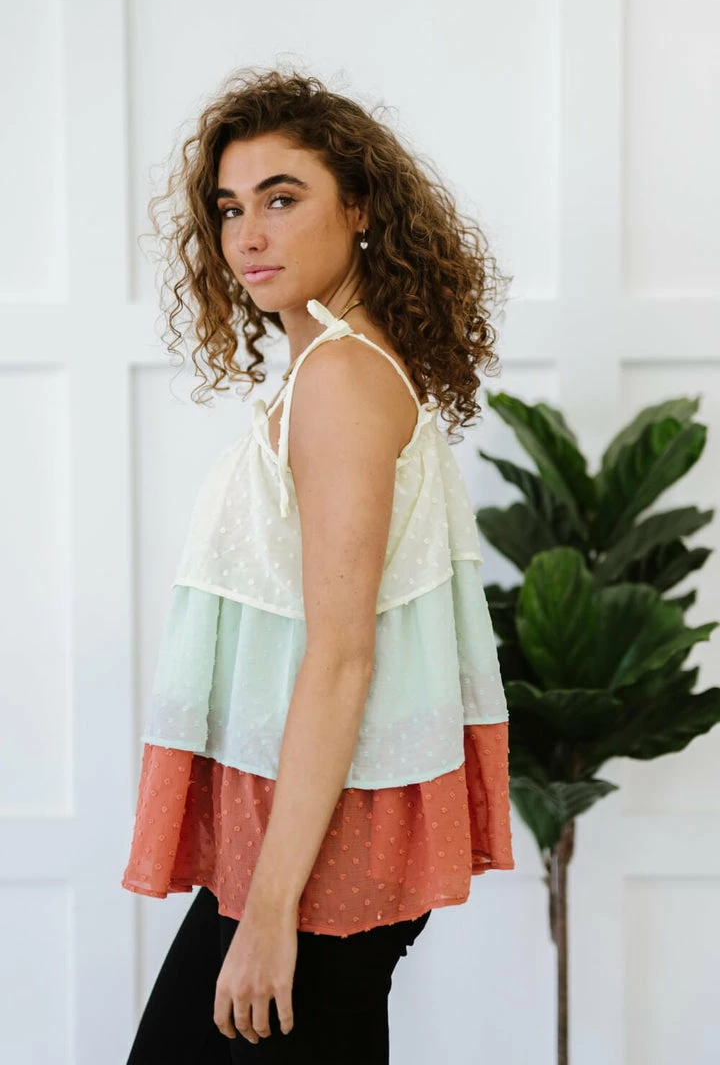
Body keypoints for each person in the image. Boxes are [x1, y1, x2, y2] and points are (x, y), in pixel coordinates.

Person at [122, 66, 515, 1063]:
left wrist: (268, 911)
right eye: (230, 208)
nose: (248, 235)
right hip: (308, 836)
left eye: (282, 199)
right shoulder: (331, 365)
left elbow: (342, 656)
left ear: (361, 208)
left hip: (315, 858)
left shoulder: (340, 376)